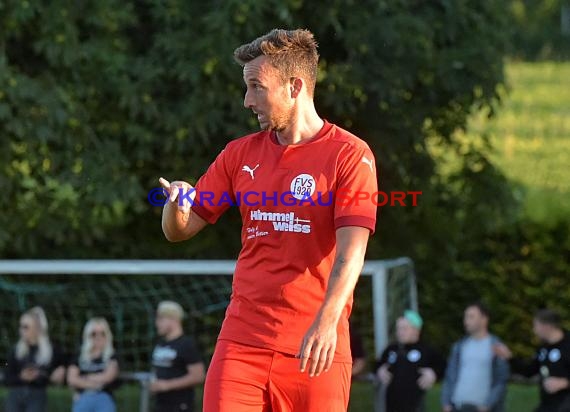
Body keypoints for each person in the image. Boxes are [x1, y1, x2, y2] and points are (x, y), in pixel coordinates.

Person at [159, 28, 377, 412]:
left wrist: (327, 322)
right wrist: (176, 202)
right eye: (246, 88)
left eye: (257, 87)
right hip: (242, 344)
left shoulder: (349, 154)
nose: (247, 100)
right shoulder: (238, 155)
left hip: (316, 347)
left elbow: (351, 252)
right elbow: (180, 229)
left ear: (295, 87)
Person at [494, 309, 570, 412]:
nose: (534, 330)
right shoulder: (543, 349)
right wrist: (509, 358)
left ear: (546, 326)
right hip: (548, 405)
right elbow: (529, 371)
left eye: (536, 326)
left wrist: (565, 382)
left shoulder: (567, 345)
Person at [441, 302, 510, 412]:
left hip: (481, 408)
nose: (466, 321)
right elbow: (450, 375)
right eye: (465, 316)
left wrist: (488, 405)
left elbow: (501, 380)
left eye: (471, 317)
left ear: (484, 319)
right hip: (457, 407)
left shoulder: (496, 347)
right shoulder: (459, 347)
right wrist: (446, 402)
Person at [375, 310, 445, 412]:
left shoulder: (426, 350)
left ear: (416, 330)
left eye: (404, 328)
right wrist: (380, 370)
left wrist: (434, 373)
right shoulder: (391, 349)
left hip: (416, 406)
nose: (400, 332)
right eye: (398, 329)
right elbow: (378, 364)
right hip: (392, 406)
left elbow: (443, 366)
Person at [4, 306, 66, 412]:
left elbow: (62, 369)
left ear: (37, 328)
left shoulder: (52, 350)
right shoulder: (16, 351)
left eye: (25, 327)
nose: (21, 330)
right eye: (21, 326)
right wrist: (22, 377)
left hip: (38, 393)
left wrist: (58, 372)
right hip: (17, 392)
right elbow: (7, 378)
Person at [150, 301, 206, 412]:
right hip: (160, 405)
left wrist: (167, 385)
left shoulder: (186, 344)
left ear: (173, 320)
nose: (157, 323)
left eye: (161, 319)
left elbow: (198, 376)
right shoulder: (160, 343)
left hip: (180, 406)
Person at [67, 317, 120, 412]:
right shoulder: (79, 355)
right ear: (88, 335)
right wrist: (95, 383)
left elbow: (109, 376)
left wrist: (84, 378)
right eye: (94, 333)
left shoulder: (112, 355)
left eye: (102, 333)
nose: (98, 337)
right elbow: (71, 379)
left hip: (104, 396)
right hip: (83, 396)